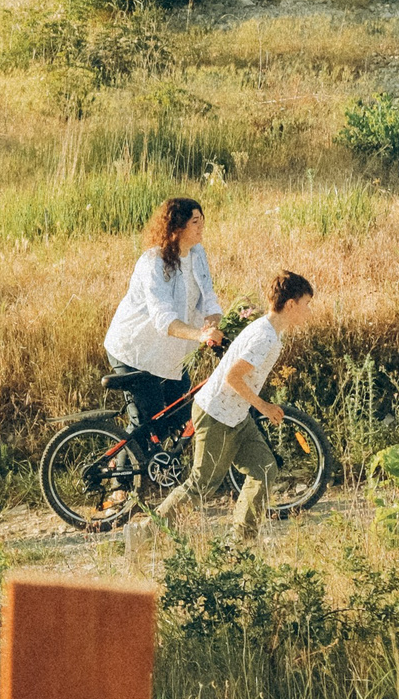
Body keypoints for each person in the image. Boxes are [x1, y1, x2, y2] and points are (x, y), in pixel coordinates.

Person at [177, 270, 318, 543]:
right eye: (307, 304)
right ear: (291, 305)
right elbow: (233, 377)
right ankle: (144, 533)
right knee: (201, 485)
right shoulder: (265, 337)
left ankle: (241, 542)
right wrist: (264, 407)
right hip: (216, 414)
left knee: (264, 469)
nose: (309, 311)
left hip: (236, 416)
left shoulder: (270, 332)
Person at [101, 197, 223, 465]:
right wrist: (200, 335)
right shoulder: (153, 263)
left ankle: (160, 472)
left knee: (180, 415)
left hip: (170, 353)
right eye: (195, 222)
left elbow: (209, 298)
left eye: (202, 220)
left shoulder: (197, 254)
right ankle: (121, 484)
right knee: (147, 423)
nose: (202, 226)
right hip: (136, 350)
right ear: (176, 227)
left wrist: (214, 324)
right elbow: (163, 319)